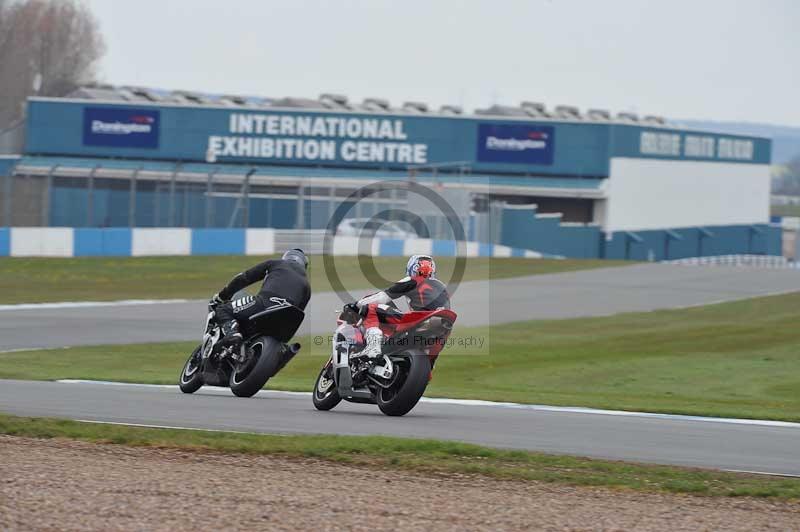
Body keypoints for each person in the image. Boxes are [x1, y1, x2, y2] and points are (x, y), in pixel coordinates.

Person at [350, 254, 449, 358]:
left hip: (421, 319)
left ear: (412, 268)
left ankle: (372, 347)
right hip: (444, 328)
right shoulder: (442, 286)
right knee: (427, 365)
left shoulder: (413, 280)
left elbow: (382, 298)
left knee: (371, 308)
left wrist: (357, 304)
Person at [211, 249, 311, 346]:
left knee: (222, 309)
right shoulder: (307, 285)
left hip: (265, 302)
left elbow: (244, 277)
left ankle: (232, 333)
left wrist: (222, 296)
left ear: (286, 257)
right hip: (287, 322)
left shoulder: (276, 263)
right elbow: (298, 312)